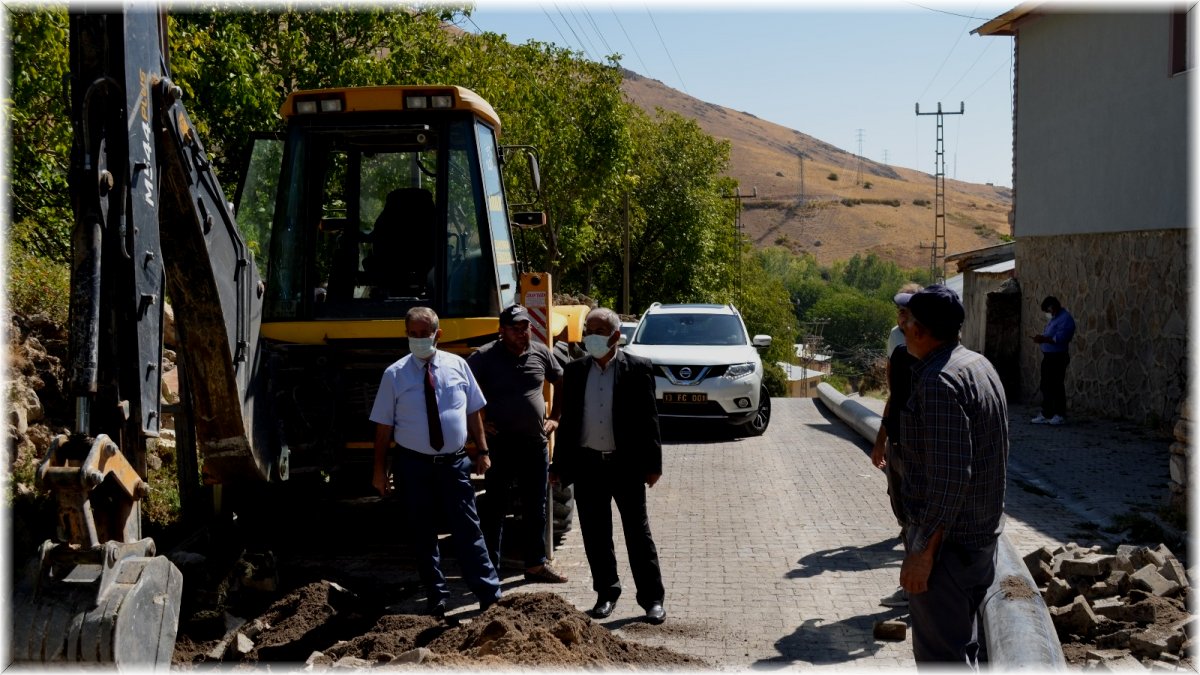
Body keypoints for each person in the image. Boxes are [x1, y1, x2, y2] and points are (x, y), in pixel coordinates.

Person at [893, 284, 1008, 667]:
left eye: (907, 321)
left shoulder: (939, 383)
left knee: (942, 659)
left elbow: (949, 480)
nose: (903, 327)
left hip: (947, 552)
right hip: (977, 543)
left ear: (920, 331)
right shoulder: (978, 365)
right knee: (963, 651)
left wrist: (922, 553)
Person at [369, 306, 500, 618]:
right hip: (413, 466)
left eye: (423, 334)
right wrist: (379, 469)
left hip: (454, 464)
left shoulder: (458, 366)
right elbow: (383, 428)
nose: (418, 339)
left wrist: (482, 450)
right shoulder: (394, 375)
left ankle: (489, 595)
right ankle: (437, 598)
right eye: (412, 334)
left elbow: (473, 411)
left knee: (469, 529)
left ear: (437, 334)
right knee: (422, 532)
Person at [549, 307, 667, 624]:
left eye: (599, 330)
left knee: (638, 535)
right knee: (596, 535)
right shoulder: (575, 372)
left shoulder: (637, 369)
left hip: (625, 465)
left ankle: (652, 599)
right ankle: (606, 593)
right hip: (589, 465)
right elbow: (569, 423)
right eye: (588, 329)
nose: (591, 336)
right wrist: (558, 465)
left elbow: (649, 421)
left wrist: (653, 465)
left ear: (616, 336)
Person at [467, 304, 568, 584]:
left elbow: (561, 381)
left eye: (526, 327)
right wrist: (478, 426)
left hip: (534, 445)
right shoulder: (484, 357)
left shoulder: (541, 352)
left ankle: (535, 565)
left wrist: (556, 417)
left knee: (536, 506)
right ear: (502, 330)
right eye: (515, 328)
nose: (522, 332)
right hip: (499, 445)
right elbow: (461, 389)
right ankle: (490, 569)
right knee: (495, 507)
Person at [870, 283, 922, 609]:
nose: (900, 319)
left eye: (906, 312)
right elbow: (895, 396)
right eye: (899, 313)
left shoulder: (936, 360)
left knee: (918, 520)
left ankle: (916, 590)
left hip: (921, 451)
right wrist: (882, 441)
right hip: (901, 445)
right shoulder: (901, 352)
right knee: (906, 517)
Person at [1031, 295, 1076, 426]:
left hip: (1058, 356)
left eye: (1048, 310)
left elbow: (1060, 338)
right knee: (1046, 385)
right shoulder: (1055, 319)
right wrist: (1041, 338)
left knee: (1056, 385)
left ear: (1052, 307)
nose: (1048, 313)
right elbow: (1049, 334)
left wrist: (1044, 340)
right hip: (1049, 356)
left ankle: (1059, 414)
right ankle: (1047, 412)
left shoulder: (1065, 319)